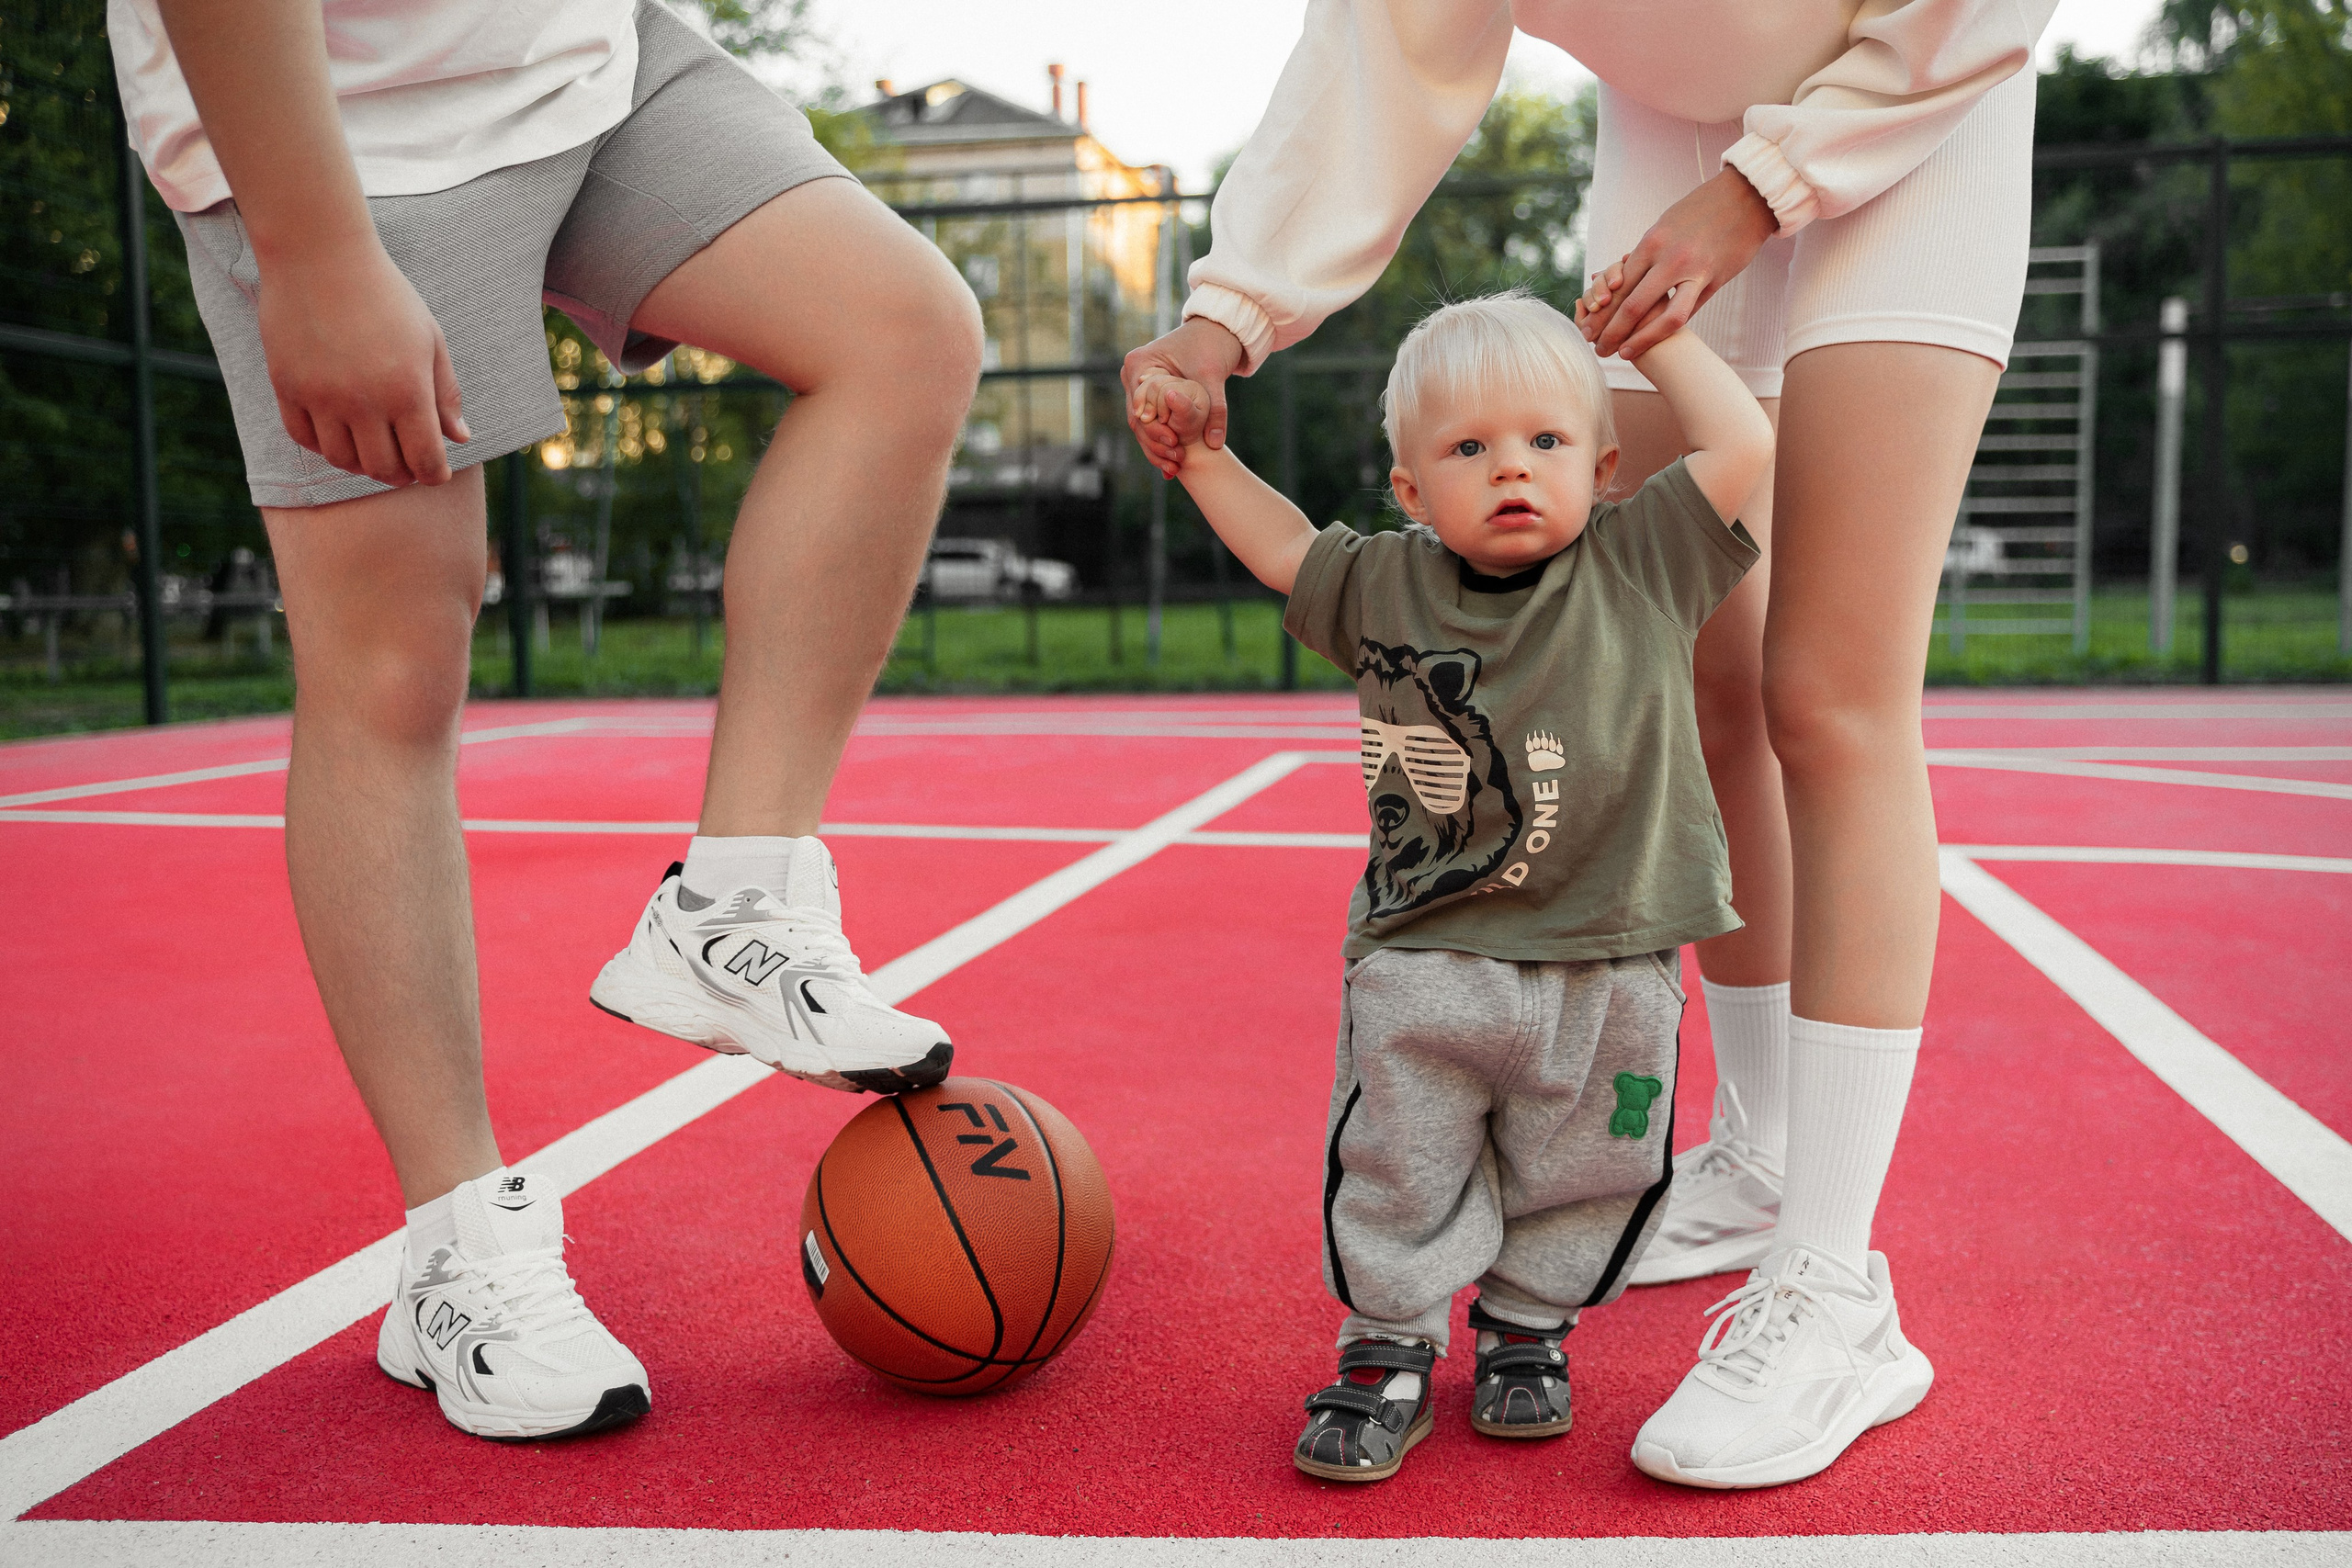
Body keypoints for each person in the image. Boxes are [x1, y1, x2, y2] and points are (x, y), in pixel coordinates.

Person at [1125, 0, 2054, 1489]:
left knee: (1830, 686)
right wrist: (1227, 313)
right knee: (1699, 674)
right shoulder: (1389, 565)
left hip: (1908, 114)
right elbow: (1379, 46)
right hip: (1669, 134)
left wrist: (1763, 192)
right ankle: (1754, 1158)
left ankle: (1833, 1285)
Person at [112, 0, 980, 1440]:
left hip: (586, 53)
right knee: (394, 665)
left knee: (904, 330)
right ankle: (460, 1250)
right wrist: (314, 253)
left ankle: (735, 902)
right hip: (343, 130)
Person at [1132, 290, 1781, 1481]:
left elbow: (1744, 447)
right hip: (1428, 963)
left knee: (1595, 1167)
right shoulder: (1385, 586)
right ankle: (1387, 1342)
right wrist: (1204, 460)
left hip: (1611, 957)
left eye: (1543, 442)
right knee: (1401, 1161)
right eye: (1469, 449)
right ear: (1413, 492)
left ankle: (1528, 1325)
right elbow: (1284, 547)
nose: (1511, 470)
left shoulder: (1645, 561)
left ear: (1602, 464)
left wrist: (1660, 340)